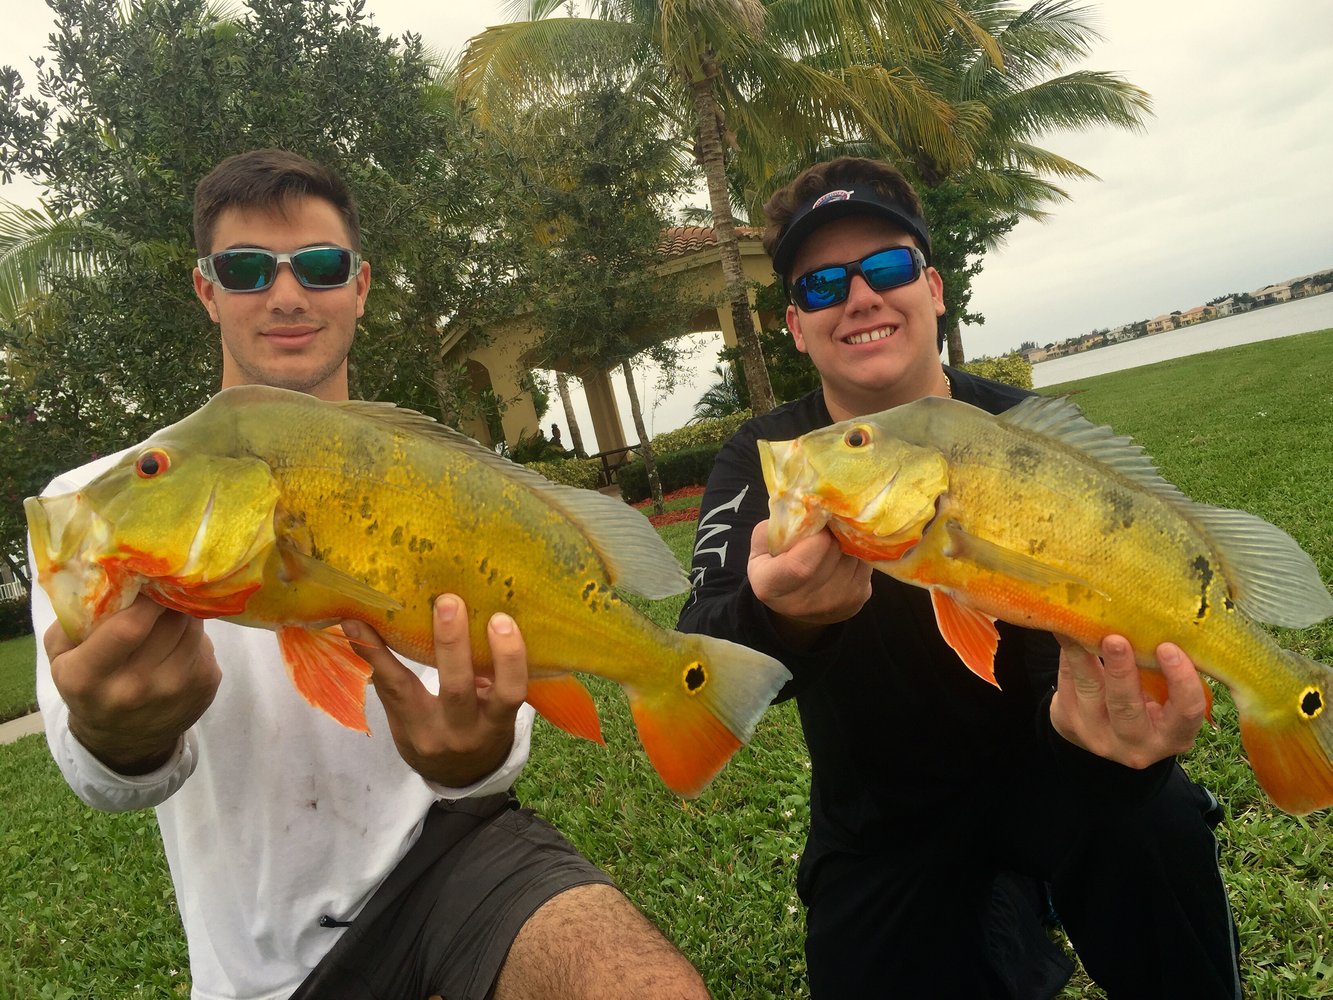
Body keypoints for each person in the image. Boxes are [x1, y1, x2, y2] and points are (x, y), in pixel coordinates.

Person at [33, 149, 710, 1000]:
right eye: (245, 270)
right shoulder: (90, 505)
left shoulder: (442, 481)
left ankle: (671, 672)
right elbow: (99, 775)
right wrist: (120, 735)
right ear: (206, 290)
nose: (286, 294)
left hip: (456, 854)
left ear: (359, 284)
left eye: (319, 266)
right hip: (260, 961)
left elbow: (487, 760)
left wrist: (471, 763)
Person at [678, 157, 1242, 999]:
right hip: (883, 822)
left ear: (933, 288)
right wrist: (780, 617)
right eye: (824, 282)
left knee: (1153, 831)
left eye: (888, 267)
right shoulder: (773, 459)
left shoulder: (1027, 434)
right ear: (795, 325)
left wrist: (1105, 724)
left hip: (1063, 764)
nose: (860, 296)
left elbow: (1090, 595)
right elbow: (703, 643)